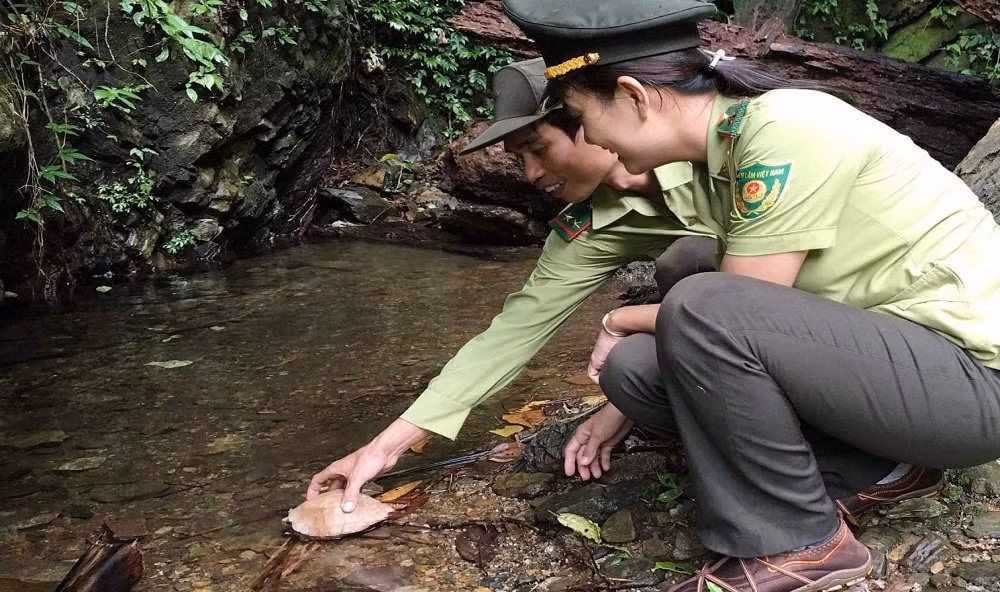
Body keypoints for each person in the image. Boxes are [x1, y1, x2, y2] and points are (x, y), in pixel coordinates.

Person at [503, 1, 1000, 591]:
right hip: (902, 373)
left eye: (584, 120)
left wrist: (620, 317)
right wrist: (623, 380)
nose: (590, 141)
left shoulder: (785, 127)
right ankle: (876, 465)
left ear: (635, 96)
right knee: (637, 372)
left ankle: (798, 544)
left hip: (974, 386)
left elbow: (731, 307)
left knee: (702, 305)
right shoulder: (724, 153)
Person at [305, 58, 718, 507]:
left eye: (538, 149)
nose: (531, 175)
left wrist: (622, 320)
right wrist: (384, 448)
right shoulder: (588, 227)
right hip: (729, 328)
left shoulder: (713, 144)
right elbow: (512, 333)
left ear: (589, 121)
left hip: (789, 313)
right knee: (628, 369)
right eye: (519, 159)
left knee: (687, 259)